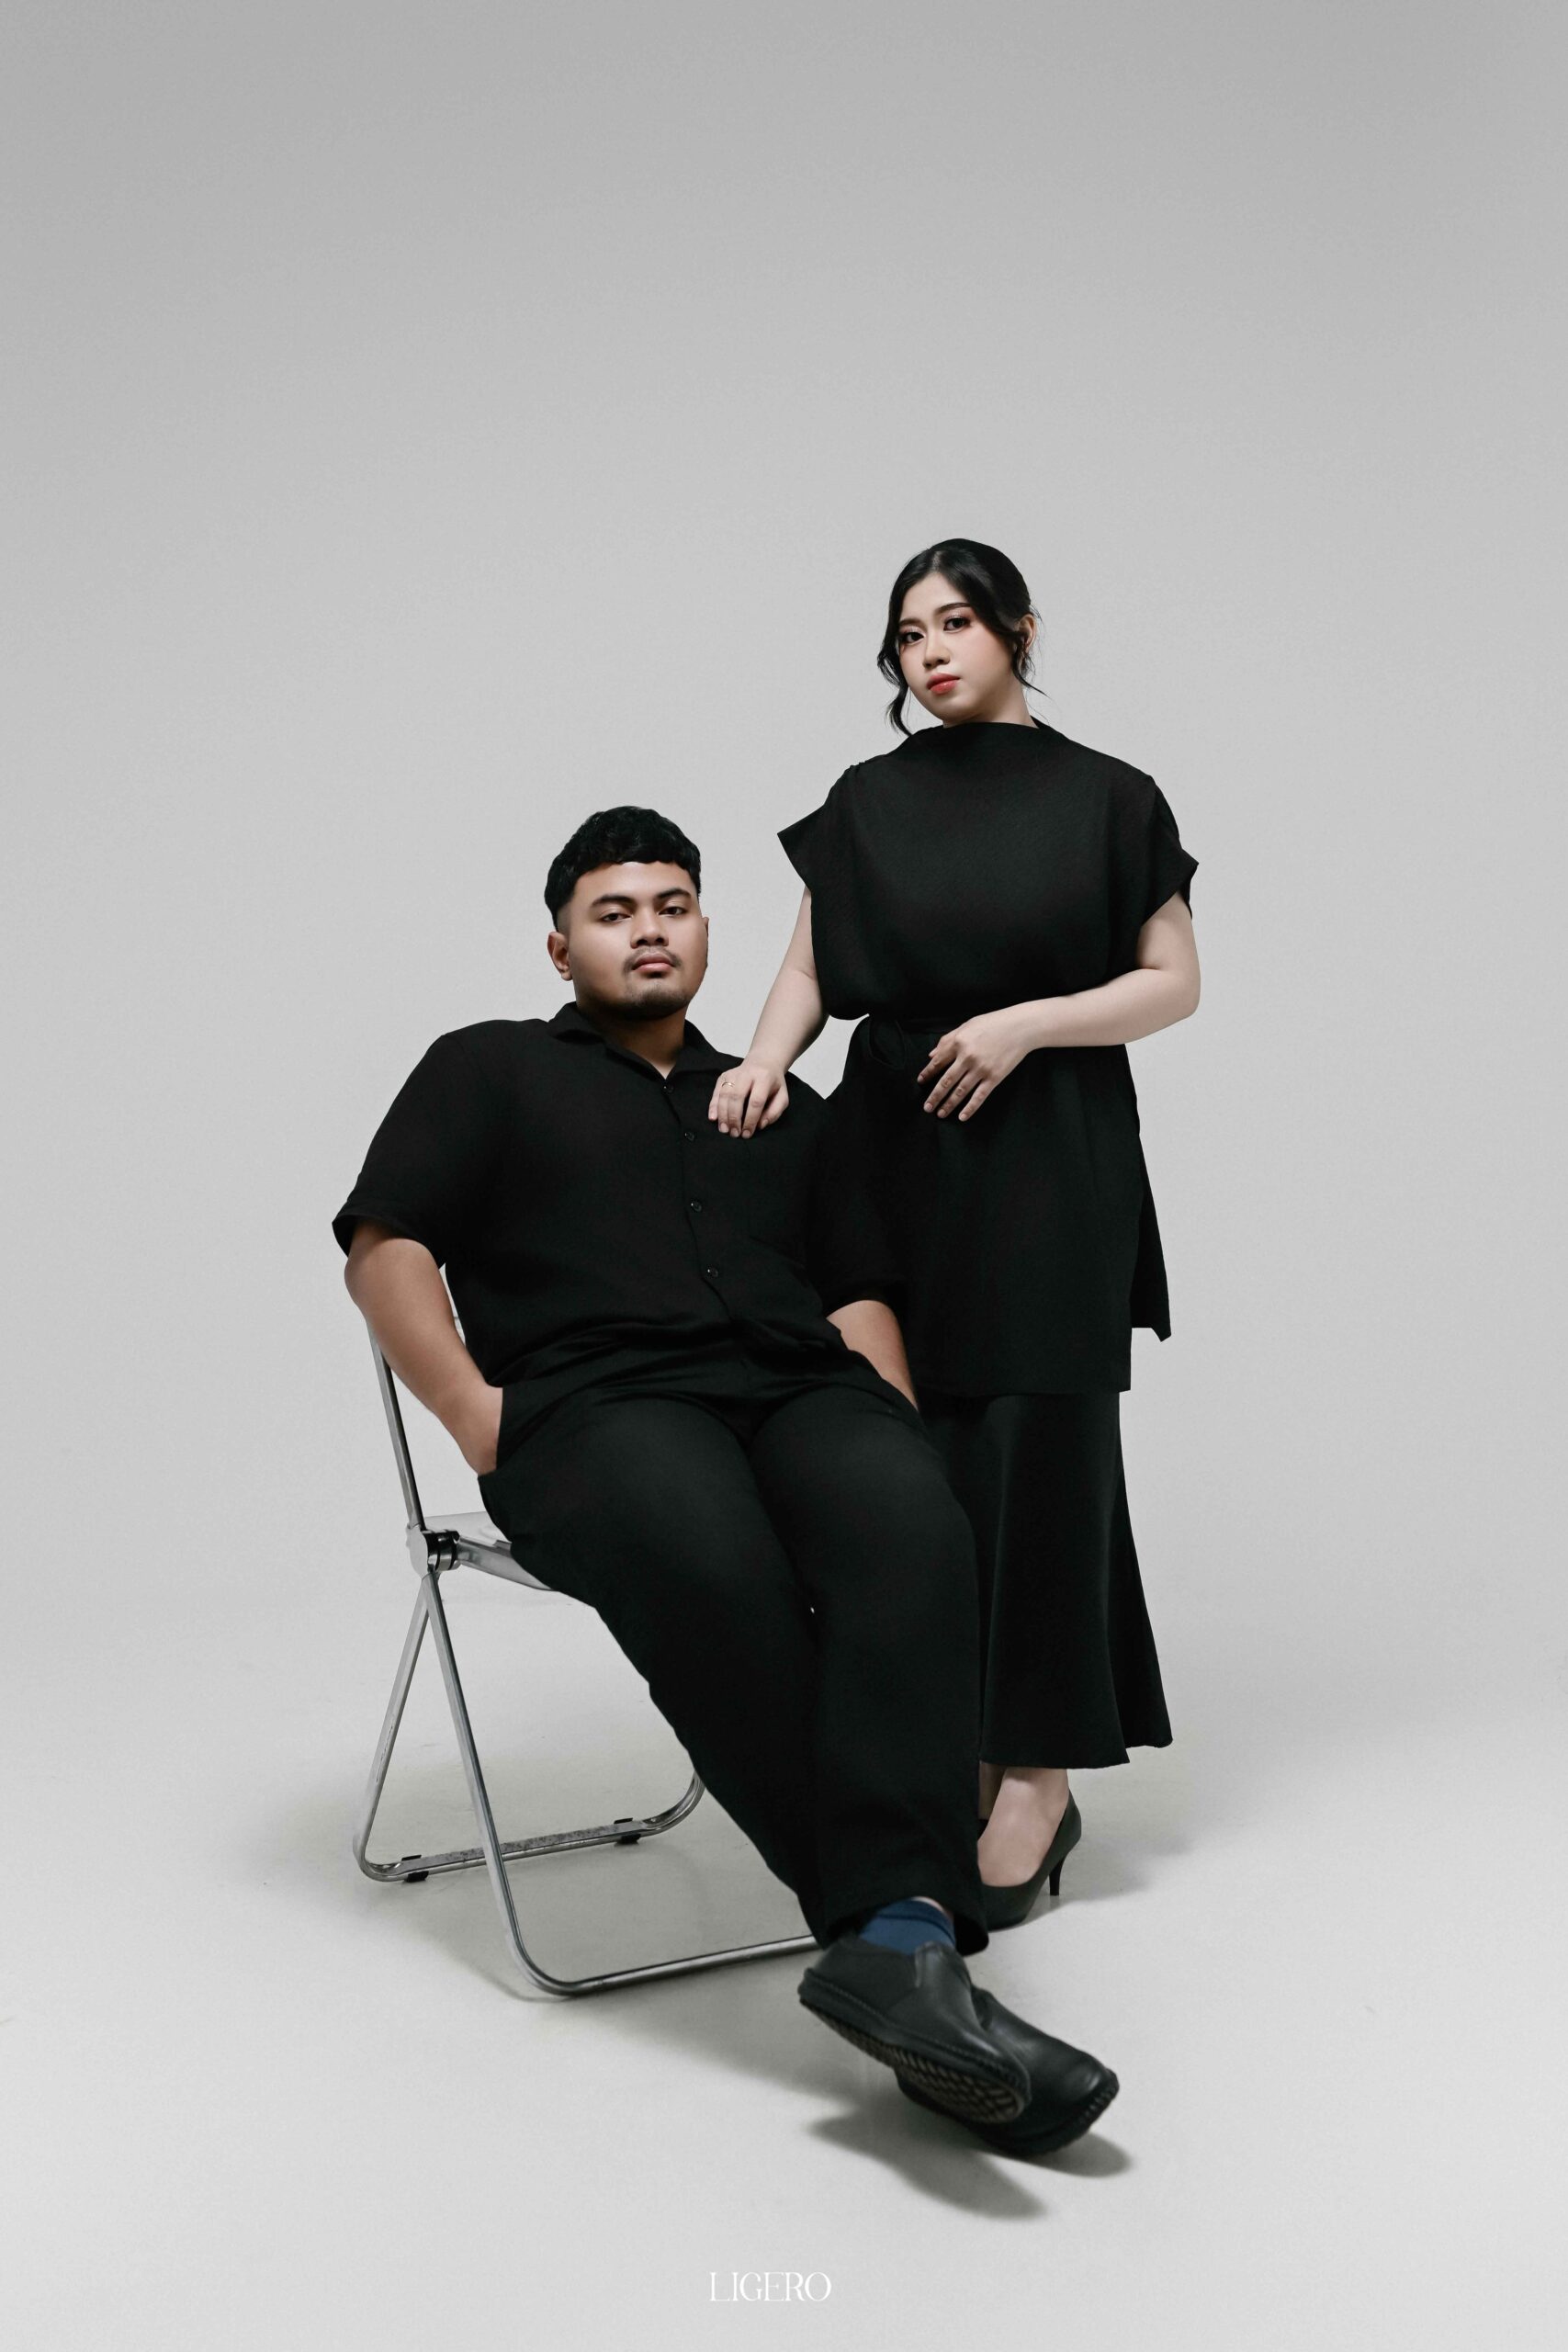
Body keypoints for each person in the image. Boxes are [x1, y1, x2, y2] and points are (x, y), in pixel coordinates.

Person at [333, 803, 1119, 2154]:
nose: (649, 931)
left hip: (799, 1390)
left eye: (674, 906)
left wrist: (887, 1416)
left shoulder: (780, 1103)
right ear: (561, 947)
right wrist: (474, 1414)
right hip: (598, 1411)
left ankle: (896, 1954)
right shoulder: (488, 1068)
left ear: (705, 930)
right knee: (709, 1552)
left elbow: (856, 1282)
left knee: (913, 1526)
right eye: (615, 912)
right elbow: (384, 1244)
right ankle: (905, 1934)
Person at [711, 540, 1201, 1929]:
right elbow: (808, 965)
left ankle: (1037, 1777)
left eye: (957, 623)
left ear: (1018, 631)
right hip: (892, 1152)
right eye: (908, 634)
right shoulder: (867, 801)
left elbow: (1174, 982)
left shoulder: (1111, 797)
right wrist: (762, 1060)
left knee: (1043, 1447)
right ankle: (964, 1750)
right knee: (918, 1454)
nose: (930, 652)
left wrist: (1025, 1026)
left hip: (1049, 1149)